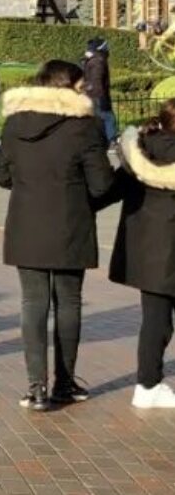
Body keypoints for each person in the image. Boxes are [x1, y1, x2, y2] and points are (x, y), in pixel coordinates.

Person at [0, 60, 115, 413]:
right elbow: (102, 183)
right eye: (80, 85)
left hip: (26, 223)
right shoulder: (84, 126)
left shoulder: (16, 123)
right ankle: (64, 383)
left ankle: (36, 388)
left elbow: (2, 176)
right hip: (70, 224)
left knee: (32, 303)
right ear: (66, 87)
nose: (86, 91)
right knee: (68, 302)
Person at [108, 101, 175, 408]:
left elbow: (107, 190)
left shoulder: (139, 152)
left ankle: (147, 384)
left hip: (148, 253)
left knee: (155, 320)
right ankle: (148, 385)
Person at [82, 37, 117, 144]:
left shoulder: (91, 60)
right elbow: (97, 80)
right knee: (108, 117)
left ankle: (100, 139)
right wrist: (101, 98)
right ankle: (110, 140)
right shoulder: (99, 61)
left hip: (93, 95)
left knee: (98, 118)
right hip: (99, 96)